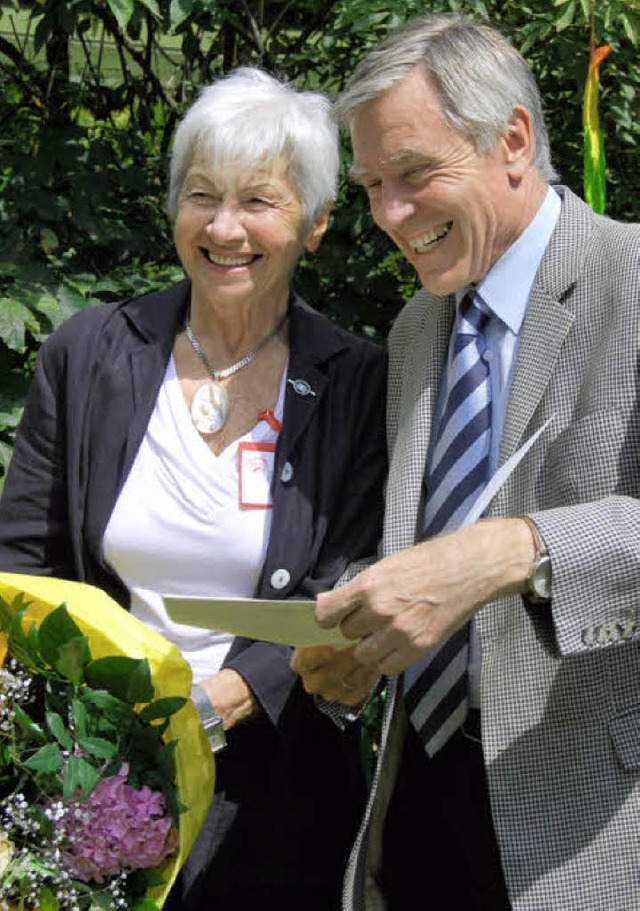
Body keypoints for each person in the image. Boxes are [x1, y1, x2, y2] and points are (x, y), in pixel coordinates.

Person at [0, 68, 387, 910]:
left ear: (316, 223)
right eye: (201, 195)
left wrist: (206, 708)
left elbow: (348, 585)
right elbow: (23, 562)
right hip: (95, 770)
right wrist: (85, 731)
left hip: (273, 792)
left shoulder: (359, 381)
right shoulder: (88, 352)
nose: (223, 227)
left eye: (259, 201)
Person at [292, 13, 640, 911]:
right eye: (372, 185)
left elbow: (492, 549)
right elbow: (429, 543)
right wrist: (366, 637)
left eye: (414, 175)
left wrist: (509, 551)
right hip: (420, 809)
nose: (389, 218)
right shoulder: (416, 328)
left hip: (593, 827)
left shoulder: (632, 281)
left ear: (514, 140)